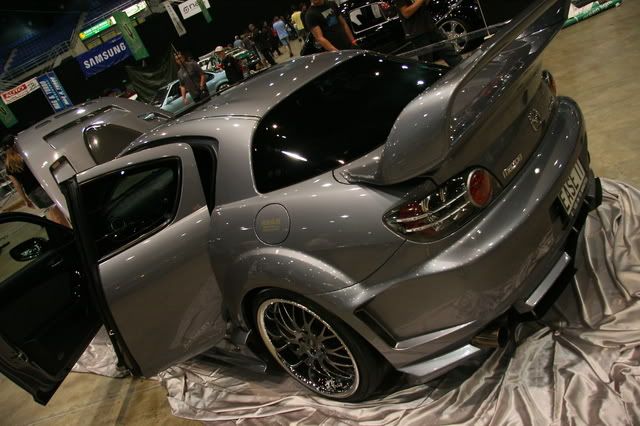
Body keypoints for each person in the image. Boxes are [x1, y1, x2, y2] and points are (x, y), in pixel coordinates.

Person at [2, 135, 69, 227]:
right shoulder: (25, 157)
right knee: (60, 215)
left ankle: (63, 232)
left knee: (53, 214)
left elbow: (17, 185)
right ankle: (67, 232)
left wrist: (25, 199)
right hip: (42, 188)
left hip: (32, 194)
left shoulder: (9, 167)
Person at [393, 0, 462, 67]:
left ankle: (462, 68)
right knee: (427, 62)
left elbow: (424, 4)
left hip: (430, 27)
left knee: (449, 52)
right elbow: (406, 13)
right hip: (417, 34)